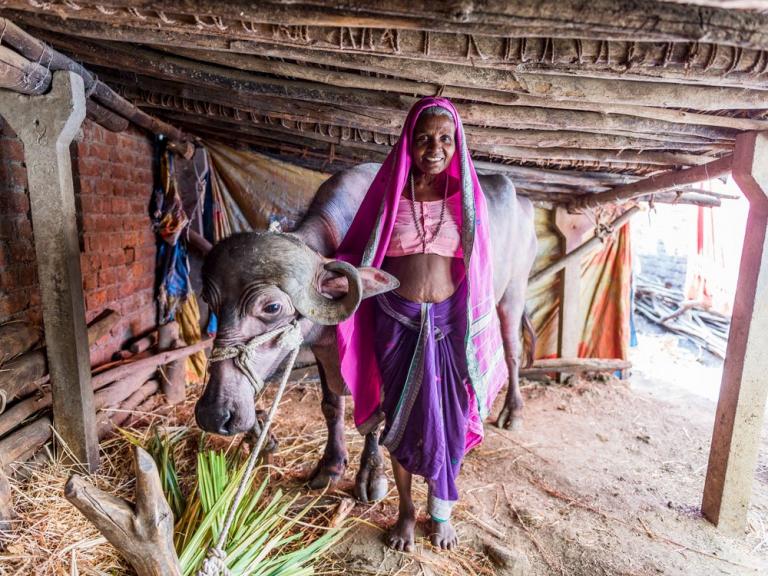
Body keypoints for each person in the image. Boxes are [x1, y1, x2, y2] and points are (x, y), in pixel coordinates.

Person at [335, 97, 508, 551]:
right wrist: (336, 274)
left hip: (450, 325)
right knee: (402, 419)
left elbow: (481, 267)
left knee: (449, 420)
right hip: (398, 322)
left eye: (445, 139)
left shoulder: (465, 201)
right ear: (410, 142)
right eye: (425, 138)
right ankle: (406, 513)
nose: (435, 147)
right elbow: (360, 251)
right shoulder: (389, 197)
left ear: (457, 144)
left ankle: (441, 512)